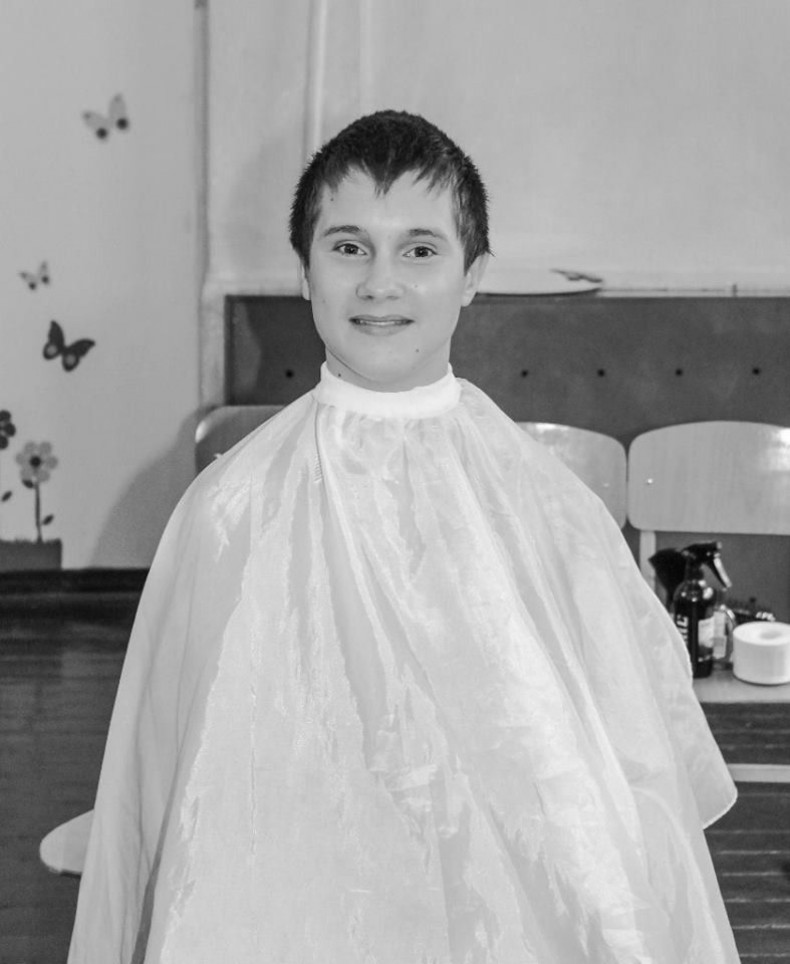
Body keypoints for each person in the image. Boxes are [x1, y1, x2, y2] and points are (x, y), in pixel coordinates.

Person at [68, 110, 740, 963]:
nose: (380, 282)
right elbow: (167, 779)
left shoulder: (550, 509)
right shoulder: (228, 511)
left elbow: (632, 785)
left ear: (472, 275)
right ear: (304, 271)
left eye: (420, 249)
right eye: (349, 247)